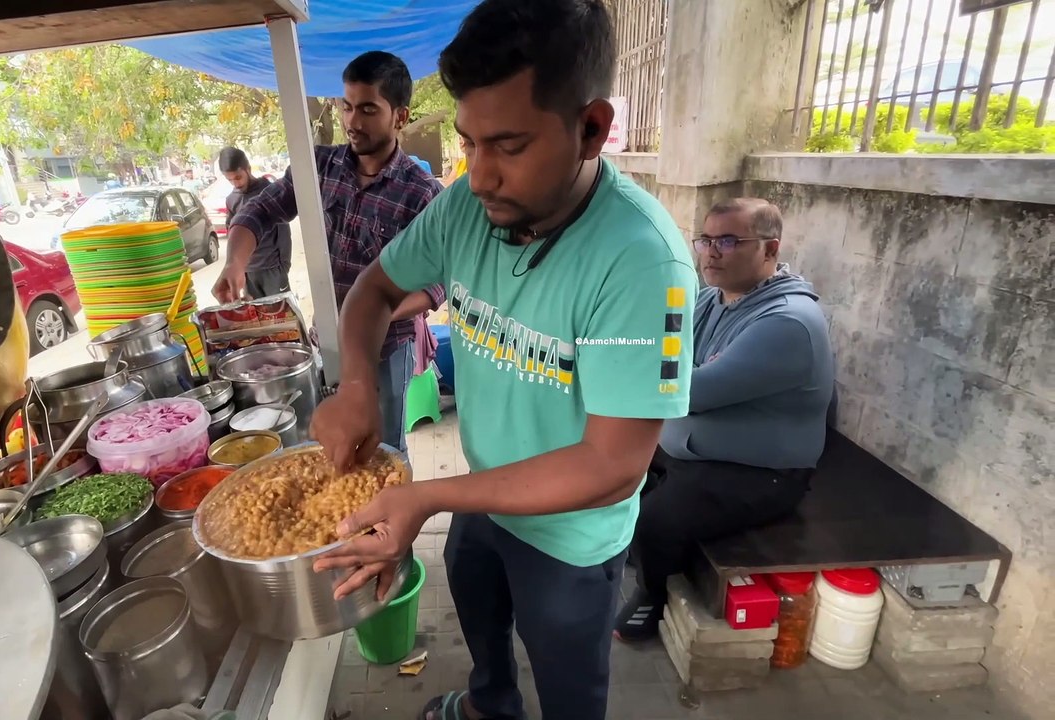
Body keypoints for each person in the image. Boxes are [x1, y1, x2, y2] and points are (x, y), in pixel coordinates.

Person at [309, 2, 697, 718]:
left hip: (572, 538)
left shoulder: (645, 265)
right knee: (484, 630)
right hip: (484, 497)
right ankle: (490, 706)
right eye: (467, 142)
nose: (478, 175)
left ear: (591, 129)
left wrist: (426, 496)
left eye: (509, 146)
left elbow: (612, 467)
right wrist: (359, 385)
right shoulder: (463, 208)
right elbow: (373, 290)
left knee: (567, 683)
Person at [612, 198, 835, 641]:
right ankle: (637, 552)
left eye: (729, 241)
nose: (712, 252)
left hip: (759, 472)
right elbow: (666, 345)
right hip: (693, 448)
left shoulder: (788, 322)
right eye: (707, 239)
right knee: (613, 462)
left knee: (655, 519)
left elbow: (690, 392)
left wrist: (618, 365)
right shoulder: (713, 297)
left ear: (770, 250)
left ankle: (653, 597)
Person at [214, 50, 445, 455]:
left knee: (383, 446)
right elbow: (260, 210)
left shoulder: (421, 193)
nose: (352, 122)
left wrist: (372, 313)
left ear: (401, 116)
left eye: (368, 109)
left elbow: (438, 284)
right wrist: (235, 262)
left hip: (388, 348)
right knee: (331, 445)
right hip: (326, 342)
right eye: (347, 106)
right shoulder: (318, 167)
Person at [217, 146, 292, 298]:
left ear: (248, 169)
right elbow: (232, 235)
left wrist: (284, 265)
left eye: (238, 177)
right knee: (255, 318)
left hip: (273, 268)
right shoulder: (231, 200)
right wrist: (238, 267)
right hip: (247, 273)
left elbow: (284, 231)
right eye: (229, 180)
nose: (235, 183)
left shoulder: (269, 191)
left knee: (282, 316)